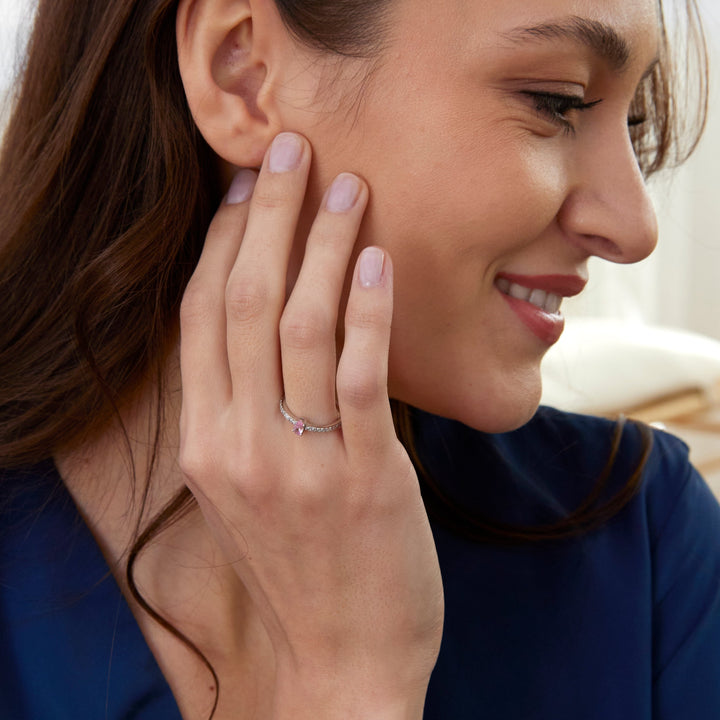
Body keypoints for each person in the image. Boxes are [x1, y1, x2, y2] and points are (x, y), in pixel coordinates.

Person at [0, 0, 718, 718]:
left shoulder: (647, 548)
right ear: (242, 71)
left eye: (632, 124)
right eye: (555, 102)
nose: (635, 226)